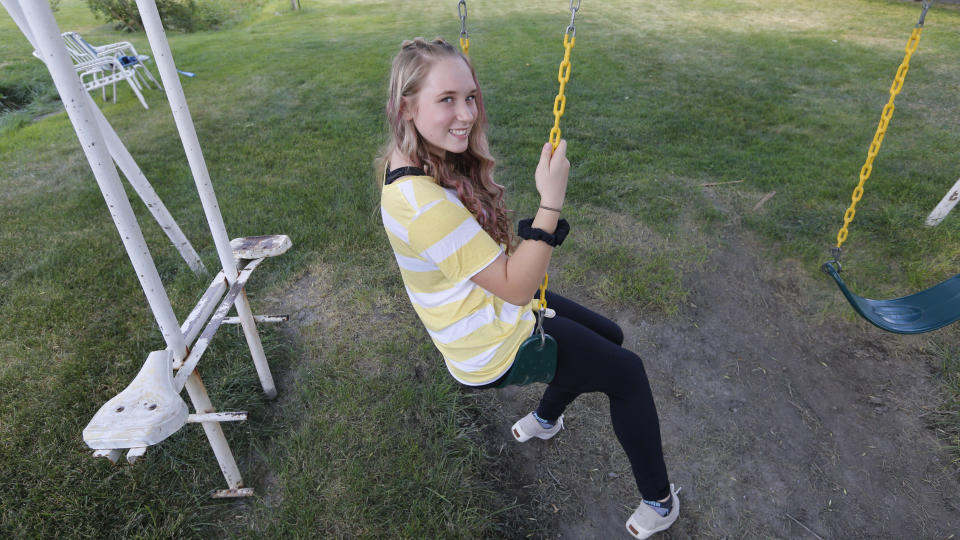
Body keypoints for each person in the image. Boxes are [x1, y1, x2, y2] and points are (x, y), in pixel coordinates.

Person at [376, 37, 679, 539]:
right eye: (446, 99)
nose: (466, 114)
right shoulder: (420, 203)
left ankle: (545, 417)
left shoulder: (405, 158)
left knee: (612, 336)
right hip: (486, 341)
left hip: (482, 305)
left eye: (469, 96)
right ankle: (659, 501)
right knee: (628, 373)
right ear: (406, 106)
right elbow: (518, 287)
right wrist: (551, 203)